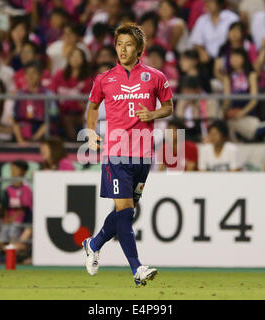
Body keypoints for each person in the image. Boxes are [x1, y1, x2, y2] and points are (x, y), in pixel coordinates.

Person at [84, 23, 173, 286]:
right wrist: (90, 132)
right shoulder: (104, 78)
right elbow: (92, 107)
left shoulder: (156, 77)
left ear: (139, 49)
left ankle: (94, 242)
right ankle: (137, 269)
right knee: (125, 211)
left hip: (143, 154)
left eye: (129, 44)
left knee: (126, 212)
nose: (123, 49)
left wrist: (153, 114)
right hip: (115, 153)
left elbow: (168, 107)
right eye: (119, 44)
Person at [51, 47, 94, 141]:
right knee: (66, 119)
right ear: (68, 59)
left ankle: (77, 143)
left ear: (83, 60)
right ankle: (74, 143)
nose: (75, 59)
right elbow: (52, 93)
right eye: (73, 56)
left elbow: (91, 100)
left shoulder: (89, 79)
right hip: (61, 113)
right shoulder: (59, 75)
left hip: (80, 113)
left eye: (78, 56)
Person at [12, 62, 57, 143]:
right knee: (15, 124)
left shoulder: (48, 94)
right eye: (27, 74)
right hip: (24, 127)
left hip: (41, 128)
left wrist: (34, 139)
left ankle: (33, 141)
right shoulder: (20, 94)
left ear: (40, 76)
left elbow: (53, 116)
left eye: (34, 73)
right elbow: (16, 118)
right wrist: (20, 140)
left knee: (49, 124)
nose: (30, 77)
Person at [223, 48, 260, 142]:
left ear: (244, 58)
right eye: (232, 57)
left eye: (237, 56)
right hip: (233, 114)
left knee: (253, 126)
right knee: (226, 124)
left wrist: (241, 113)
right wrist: (225, 112)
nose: (234, 59)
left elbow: (254, 100)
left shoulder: (251, 75)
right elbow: (227, 100)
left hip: (247, 113)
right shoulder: (228, 77)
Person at [0, 160, 33, 246]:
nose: (13, 171)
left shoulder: (26, 189)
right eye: (12, 169)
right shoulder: (8, 189)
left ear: (23, 171)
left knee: (13, 230)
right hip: (9, 220)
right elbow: (5, 206)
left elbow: (24, 208)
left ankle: (12, 250)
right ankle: (3, 250)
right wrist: (6, 219)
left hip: (20, 220)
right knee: (4, 229)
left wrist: (12, 219)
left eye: (15, 169)